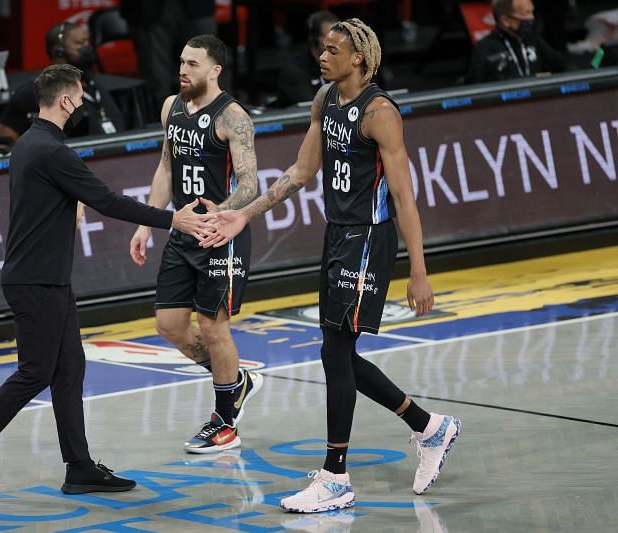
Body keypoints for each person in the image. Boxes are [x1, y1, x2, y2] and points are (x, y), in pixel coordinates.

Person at [202, 19, 461, 512]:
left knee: (336, 350)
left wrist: (419, 270)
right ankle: (429, 427)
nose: (322, 57)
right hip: (337, 235)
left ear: (358, 57)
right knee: (333, 353)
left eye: (332, 50)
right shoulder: (325, 99)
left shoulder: (380, 112)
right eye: (322, 49)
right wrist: (242, 215)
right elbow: (301, 171)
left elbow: (405, 197)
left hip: (369, 238)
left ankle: (336, 476)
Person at [0, 64, 213, 496]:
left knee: (69, 369)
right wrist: (171, 218)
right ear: (65, 100)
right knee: (35, 372)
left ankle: (79, 467)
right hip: (36, 280)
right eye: (80, 95)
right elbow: (107, 200)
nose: (84, 101)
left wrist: (71, 204)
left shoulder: (31, 144)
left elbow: (54, 197)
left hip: (46, 278)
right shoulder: (52, 151)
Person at [129, 34, 262, 454]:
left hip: (221, 235)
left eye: (193, 64)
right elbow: (166, 167)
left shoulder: (233, 116)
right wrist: (147, 223)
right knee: (168, 325)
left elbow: (250, 182)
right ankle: (234, 380)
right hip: (183, 232)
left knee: (211, 325)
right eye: (181, 62)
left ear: (215, 70)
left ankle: (225, 421)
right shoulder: (171, 106)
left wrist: (223, 213)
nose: (183, 70)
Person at [0, 21, 126, 143]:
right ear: (59, 52)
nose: (87, 48)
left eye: (87, 42)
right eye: (79, 43)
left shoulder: (92, 86)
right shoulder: (35, 92)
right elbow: (0, 142)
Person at [120, 0, 216, 112]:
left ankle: (206, 123)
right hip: (149, 10)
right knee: (157, 83)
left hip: (196, 8)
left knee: (204, 77)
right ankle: (163, 124)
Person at [466, 0, 565, 84]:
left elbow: (562, 66)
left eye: (532, 12)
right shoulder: (484, 47)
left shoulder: (533, 39)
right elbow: (478, 84)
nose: (531, 18)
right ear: (505, 20)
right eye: (526, 13)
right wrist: (533, 78)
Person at [276, 10, 339, 107]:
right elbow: (312, 109)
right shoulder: (294, 71)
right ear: (313, 39)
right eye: (329, 36)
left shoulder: (343, 62)